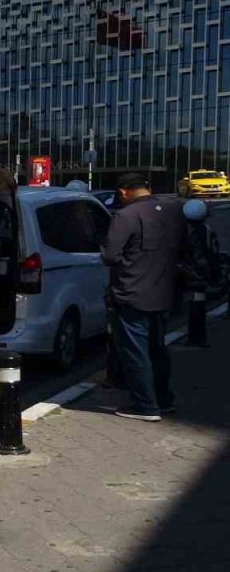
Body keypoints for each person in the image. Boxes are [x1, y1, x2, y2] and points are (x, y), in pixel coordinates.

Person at [102, 173, 187, 422]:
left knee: (135, 351)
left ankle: (145, 405)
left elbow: (109, 255)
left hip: (131, 293)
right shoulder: (174, 211)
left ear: (123, 192)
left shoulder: (125, 216)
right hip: (164, 293)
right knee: (158, 348)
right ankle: (164, 400)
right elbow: (185, 248)